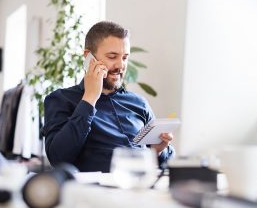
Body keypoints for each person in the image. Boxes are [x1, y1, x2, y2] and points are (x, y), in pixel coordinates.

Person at [43, 21, 175, 172]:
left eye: (125, 57)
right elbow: (58, 158)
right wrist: (89, 99)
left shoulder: (139, 103)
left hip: (140, 188)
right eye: (112, 56)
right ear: (88, 57)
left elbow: (168, 163)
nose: (121, 65)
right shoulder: (61, 99)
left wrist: (158, 151)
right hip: (96, 192)